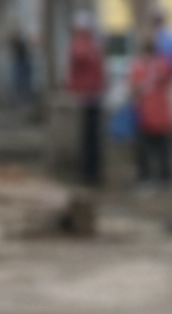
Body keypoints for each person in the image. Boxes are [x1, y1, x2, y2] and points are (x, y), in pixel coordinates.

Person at [129, 35, 172, 191]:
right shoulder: (164, 65)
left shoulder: (139, 67)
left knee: (144, 149)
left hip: (145, 115)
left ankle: (145, 178)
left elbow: (133, 89)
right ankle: (165, 178)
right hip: (162, 114)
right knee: (163, 148)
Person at [67, 11, 107, 187]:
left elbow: (98, 68)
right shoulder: (83, 44)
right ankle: (88, 172)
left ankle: (92, 172)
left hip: (92, 94)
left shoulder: (89, 43)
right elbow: (79, 60)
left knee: (92, 137)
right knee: (88, 137)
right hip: (86, 95)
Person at [8, 24, 34, 106]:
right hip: (19, 63)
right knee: (19, 82)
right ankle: (20, 99)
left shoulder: (22, 42)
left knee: (25, 82)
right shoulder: (15, 43)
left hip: (24, 63)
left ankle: (25, 98)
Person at [151, 5, 172, 74]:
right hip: (160, 67)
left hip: (168, 66)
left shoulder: (169, 33)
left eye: (157, 19)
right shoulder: (155, 34)